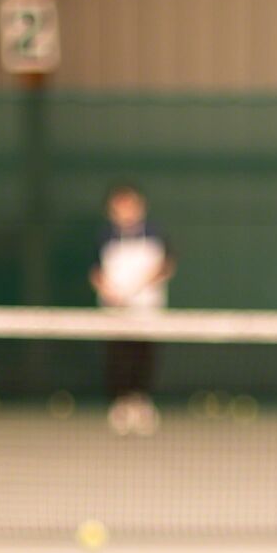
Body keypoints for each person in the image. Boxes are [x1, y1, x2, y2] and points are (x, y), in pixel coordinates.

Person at [88, 185, 176, 436]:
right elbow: (94, 270)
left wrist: (138, 289)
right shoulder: (104, 237)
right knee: (118, 356)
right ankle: (121, 405)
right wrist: (111, 292)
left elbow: (166, 265)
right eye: (120, 206)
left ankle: (141, 403)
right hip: (114, 310)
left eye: (130, 205)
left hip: (147, 309)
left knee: (143, 355)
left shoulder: (155, 233)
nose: (126, 211)